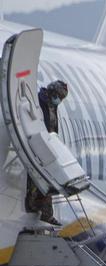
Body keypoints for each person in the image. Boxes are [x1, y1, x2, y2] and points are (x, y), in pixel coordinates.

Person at [24, 80, 68, 225]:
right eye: (59, 97)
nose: (59, 101)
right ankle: (40, 208)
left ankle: (45, 212)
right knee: (41, 179)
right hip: (38, 145)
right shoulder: (39, 103)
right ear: (52, 92)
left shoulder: (52, 105)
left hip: (48, 144)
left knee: (48, 180)